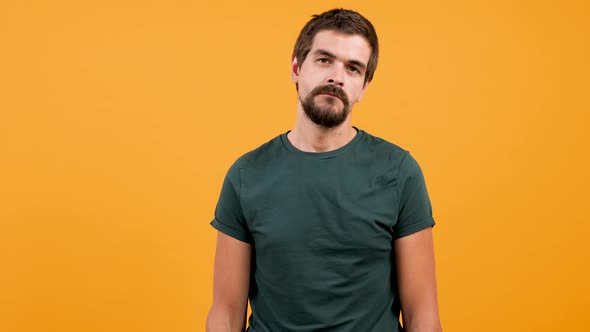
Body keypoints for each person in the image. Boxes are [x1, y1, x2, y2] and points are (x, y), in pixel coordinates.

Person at [206, 8, 441, 332]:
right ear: (296, 68)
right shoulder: (247, 175)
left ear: (363, 87)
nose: (337, 76)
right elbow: (225, 315)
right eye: (324, 60)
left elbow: (423, 316)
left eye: (353, 68)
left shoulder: (400, 172)